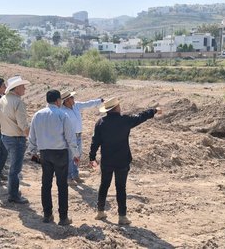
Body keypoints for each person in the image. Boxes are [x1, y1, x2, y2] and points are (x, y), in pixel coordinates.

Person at [89, 97, 162, 225]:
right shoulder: (125, 120)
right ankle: (122, 216)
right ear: (116, 108)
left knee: (104, 185)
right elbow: (141, 116)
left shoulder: (100, 123)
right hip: (122, 160)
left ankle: (100, 212)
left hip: (107, 160)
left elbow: (95, 142)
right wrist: (154, 110)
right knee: (121, 188)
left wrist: (92, 157)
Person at [28, 90, 80, 226]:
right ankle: (63, 218)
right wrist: (75, 154)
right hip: (60, 153)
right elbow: (70, 137)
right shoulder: (62, 115)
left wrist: (32, 151)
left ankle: (47, 215)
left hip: (44, 153)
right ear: (58, 101)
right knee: (62, 185)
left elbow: (32, 136)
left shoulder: (37, 115)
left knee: (46, 184)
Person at [0, 75, 30, 204]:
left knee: (13, 167)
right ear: (16, 89)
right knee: (15, 169)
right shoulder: (18, 102)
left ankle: (13, 191)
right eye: (22, 87)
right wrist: (31, 137)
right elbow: (23, 125)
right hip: (16, 138)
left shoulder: (2, 99)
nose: (24, 89)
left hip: (6, 136)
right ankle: (13, 195)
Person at [60, 91, 103, 186]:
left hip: (78, 135)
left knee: (77, 155)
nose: (74, 99)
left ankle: (75, 175)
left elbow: (88, 103)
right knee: (70, 157)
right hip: (70, 136)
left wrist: (99, 101)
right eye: (72, 98)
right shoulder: (62, 111)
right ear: (67, 100)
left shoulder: (76, 105)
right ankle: (69, 177)